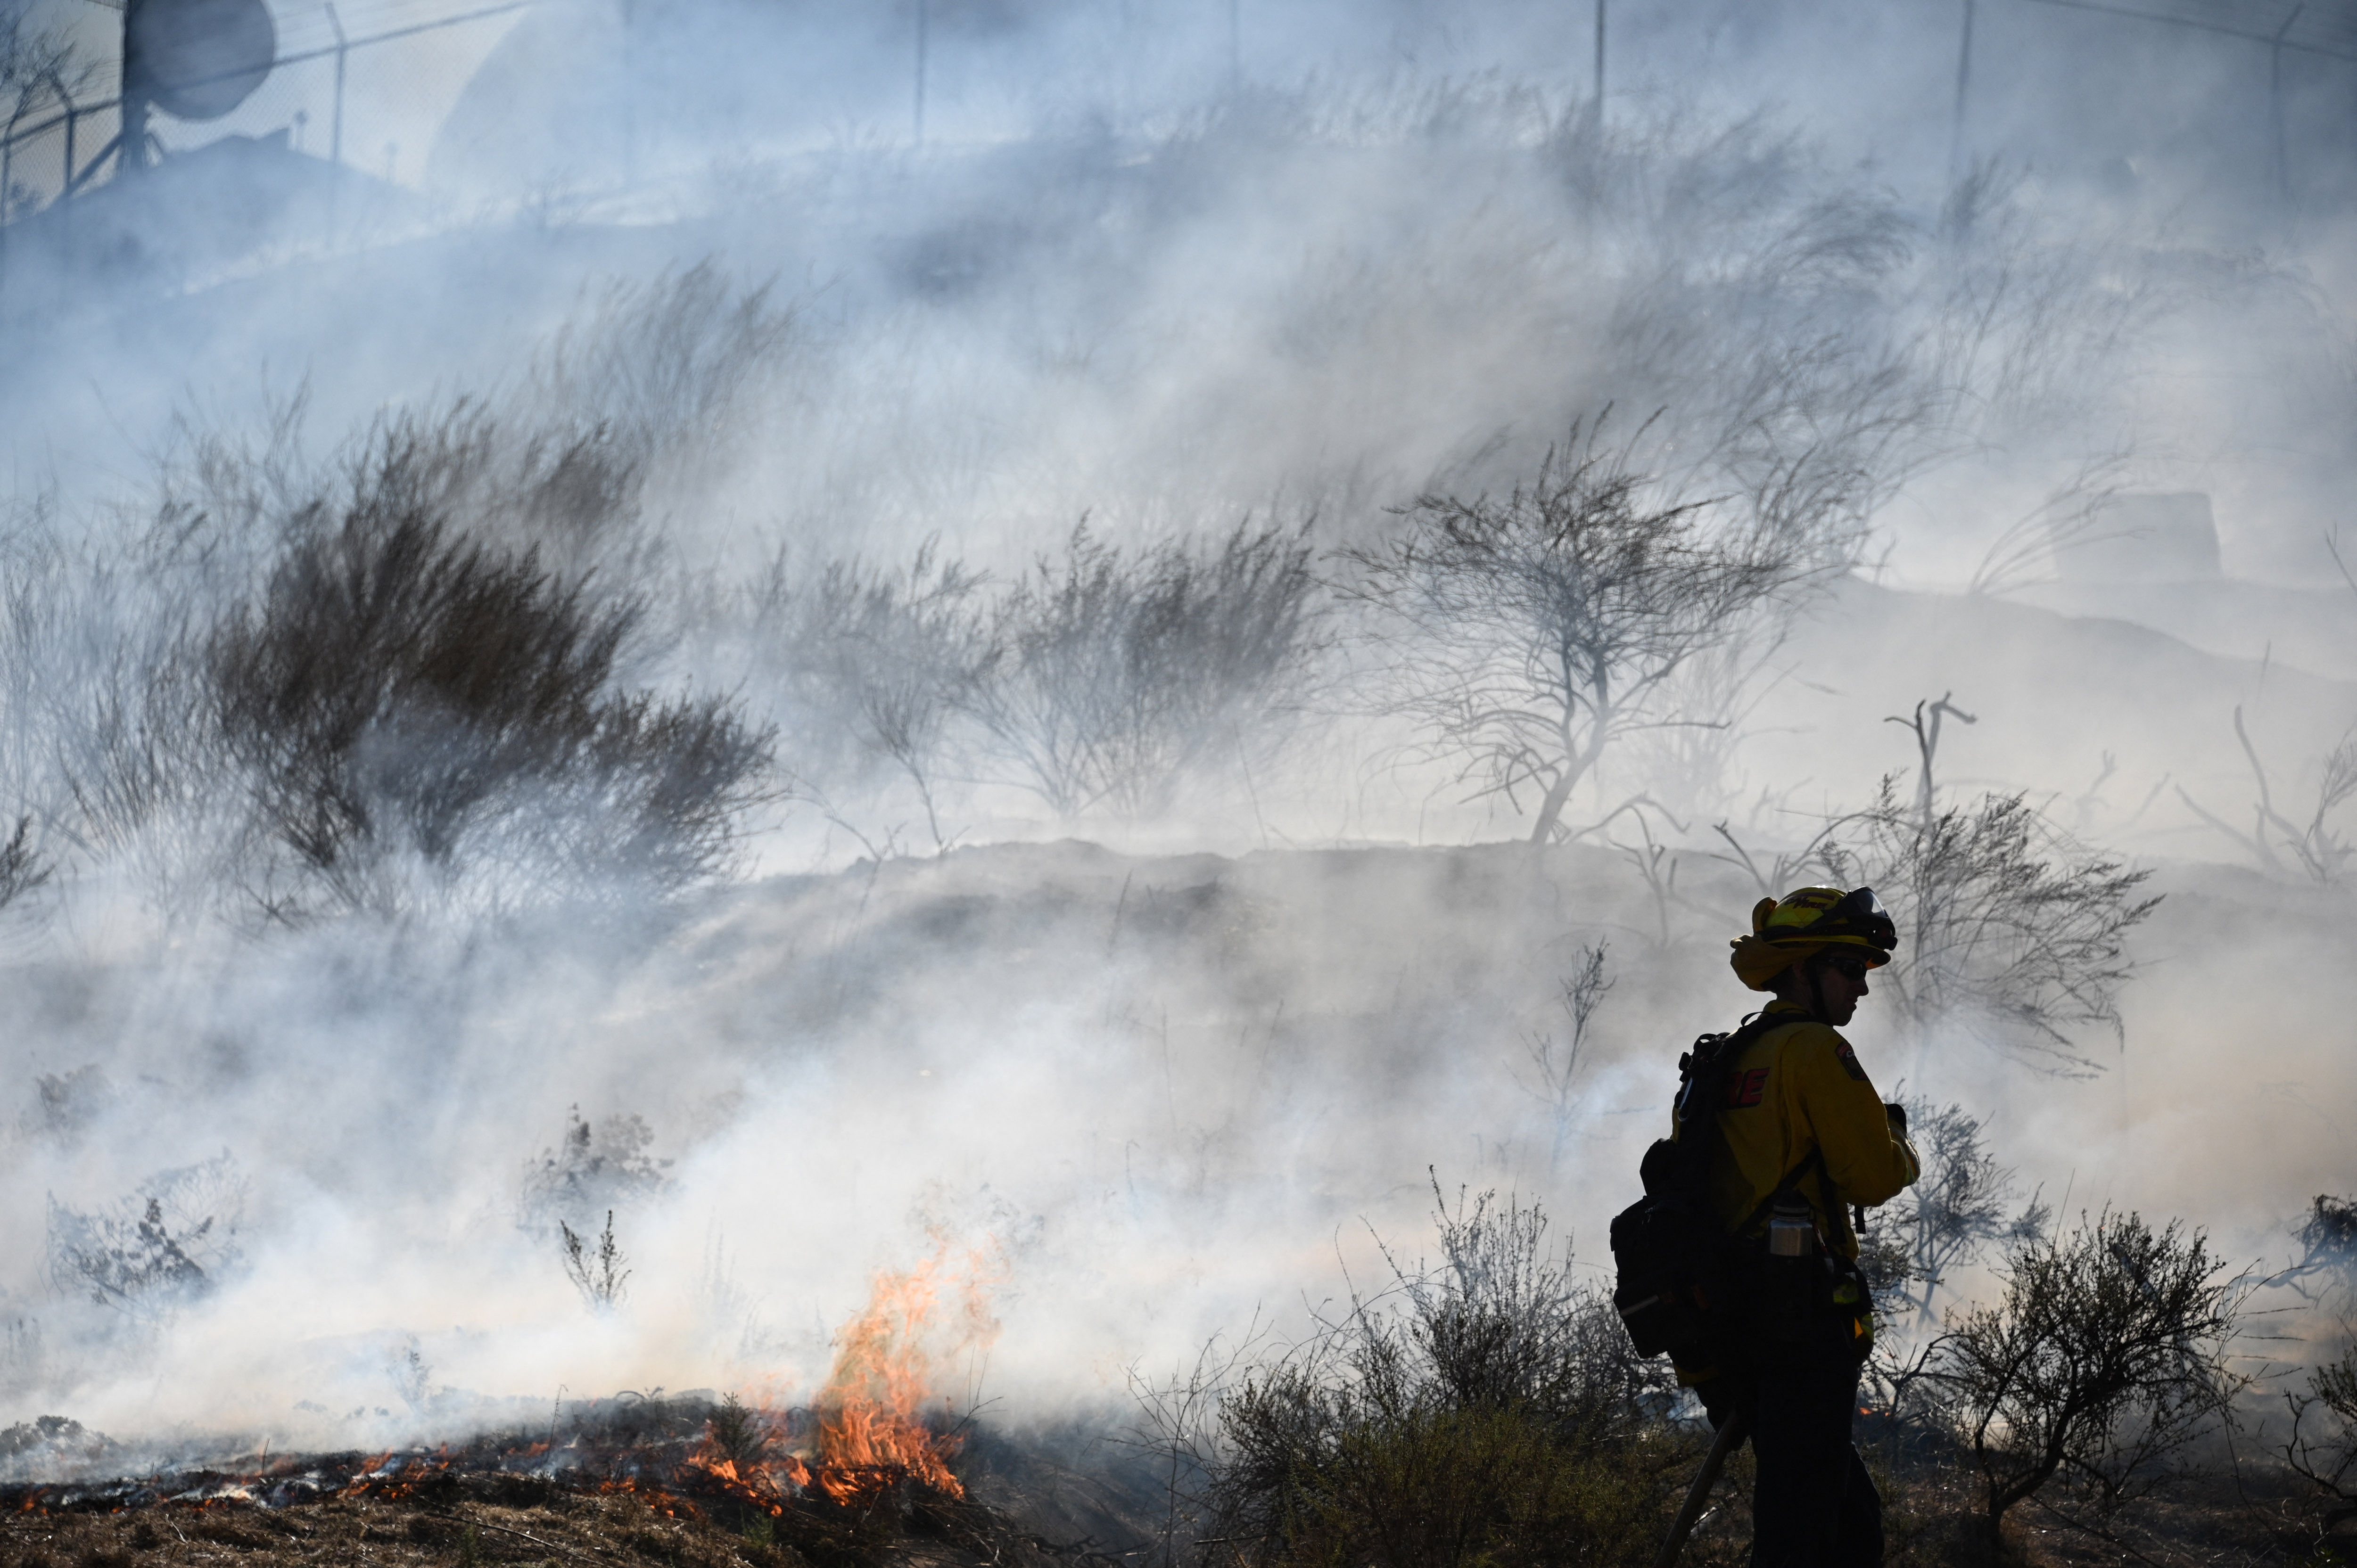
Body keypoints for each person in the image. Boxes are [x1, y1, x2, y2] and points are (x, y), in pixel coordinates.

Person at [1679, 885, 1921, 1568]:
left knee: (1844, 1516)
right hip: (1799, 1322)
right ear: (1800, 969)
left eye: (1866, 971)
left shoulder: (1725, 1059)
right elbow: (1874, 1176)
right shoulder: (1815, 1051)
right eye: (1849, 968)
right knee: (1804, 1527)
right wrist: (1899, 1141)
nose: (1862, 989)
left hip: (1729, 1320)